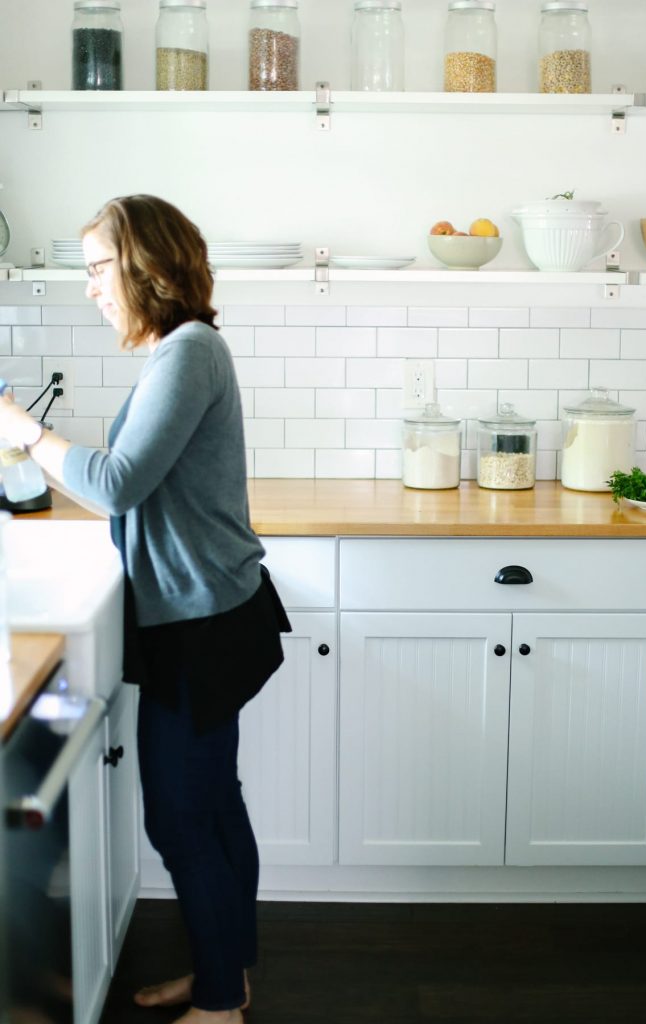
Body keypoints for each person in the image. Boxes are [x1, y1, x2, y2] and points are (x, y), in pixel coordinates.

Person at [0, 194, 291, 1024]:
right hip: (201, 616)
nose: (90, 286)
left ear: (145, 267)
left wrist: (20, 428)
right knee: (213, 803)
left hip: (202, 626)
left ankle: (220, 1001)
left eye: (97, 268)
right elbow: (116, 482)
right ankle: (225, 973)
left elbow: (117, 481)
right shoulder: (179, 350)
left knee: (182, 816)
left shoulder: (188, 353)